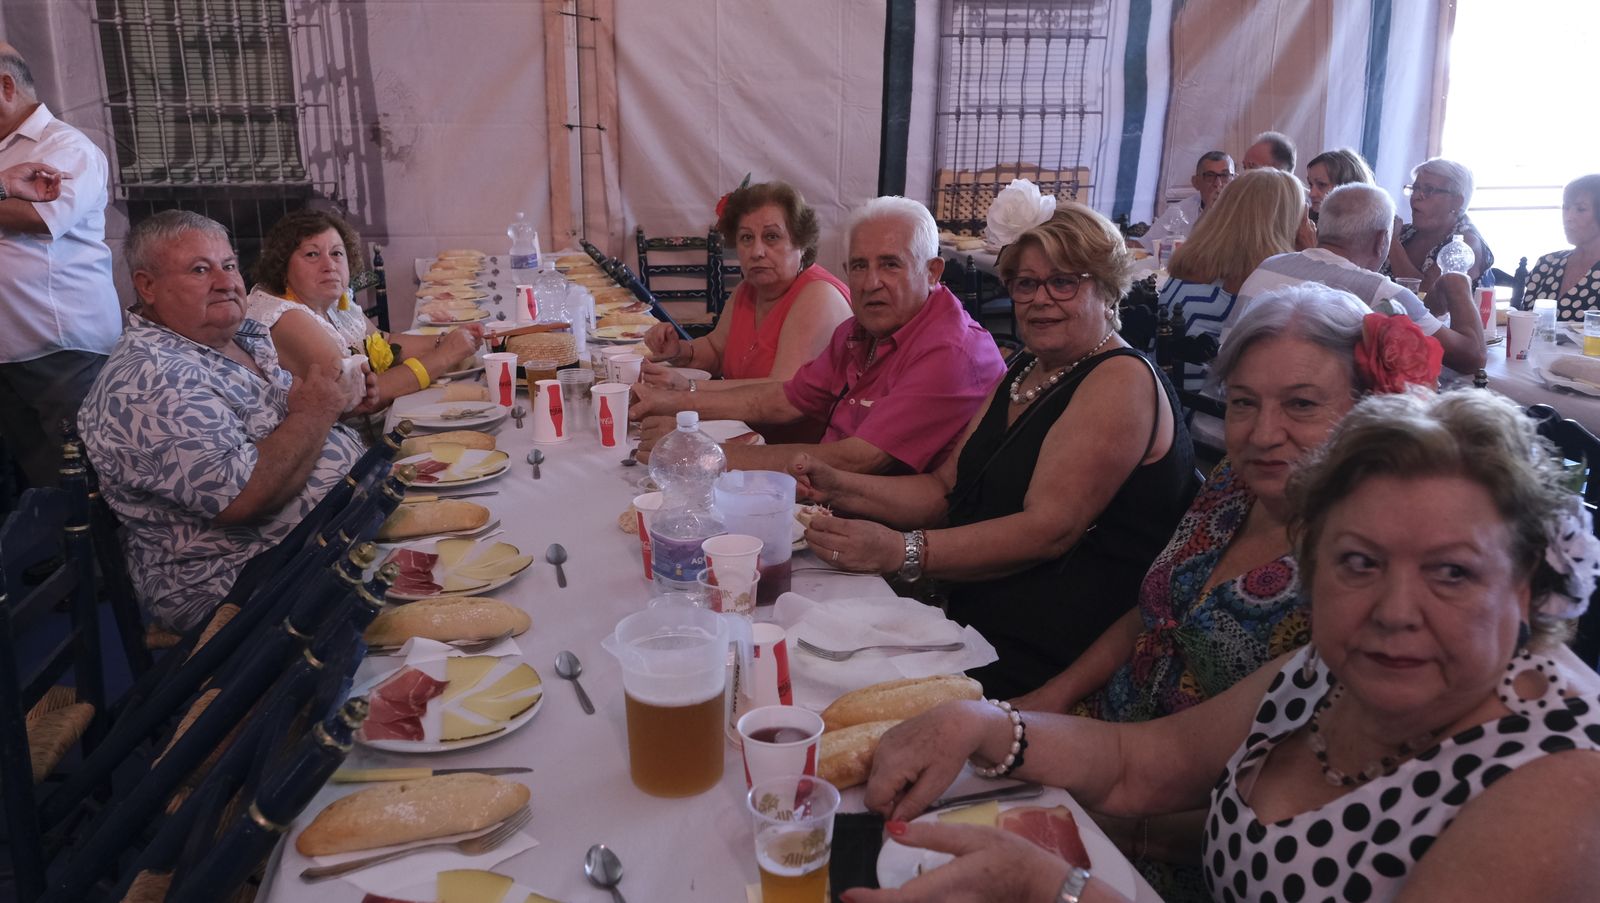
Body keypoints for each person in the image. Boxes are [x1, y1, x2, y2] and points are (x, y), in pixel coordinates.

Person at [848, 389, 1600, 903]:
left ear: (1530, 583)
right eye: (1360, 562)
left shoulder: (1564, 781)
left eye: (1452, 572)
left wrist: (1059, 888)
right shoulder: (1330, 671)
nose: (1395, 610)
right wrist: (983, 725)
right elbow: (1140, 764)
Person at [1011, 285, 1440, 900]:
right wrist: (1045, 702)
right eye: (1243, 403)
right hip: (1096, 752)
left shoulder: (1370, 572)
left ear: (1368, 409)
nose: (1264, 433)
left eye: (1300, 405)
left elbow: (1291, 811)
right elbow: (1154, 612)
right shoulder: (1232, 487)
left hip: (1179, 845)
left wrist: (1110, 826)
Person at [797, 204, 1196, 699]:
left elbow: (1046, 531)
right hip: (969, 616)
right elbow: (946, 490)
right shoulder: (1029, 367)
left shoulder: (1119, 379)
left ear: (1107, 288)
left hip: (1051, 649)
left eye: (1063, 282)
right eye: (1026, 284)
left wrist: (902, 551)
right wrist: (840, 485)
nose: (1039, 299)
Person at [78, 211, 366, 632]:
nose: (226, 281)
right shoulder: (148, 380)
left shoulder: (238, 337)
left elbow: (288, 426)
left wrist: (335, 404)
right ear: (147, 286)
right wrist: (316, 413)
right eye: (200, 269)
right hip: (245, 586)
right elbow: (242, 498)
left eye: (229, 265)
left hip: (319, 543)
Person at [629, 196, 1006, 475]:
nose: (871, 282)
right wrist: (668, 403)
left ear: (933, 272)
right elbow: (783, 399)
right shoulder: (859, 329)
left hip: (882, 540)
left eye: (890, 264)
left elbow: (858, 458)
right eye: (859, 266)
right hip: (823, 498)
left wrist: (707, 455)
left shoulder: (950, 349)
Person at [0, 42, 122, 486]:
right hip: (9, 351)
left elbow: (38, 216)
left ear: (5, 85)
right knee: (42, 495)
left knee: (90, 487)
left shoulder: (66, 146)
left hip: (62, 348)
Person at [1226, 183, 1486, 373]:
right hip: (1300, 437)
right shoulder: (1381, 293)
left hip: (1220, 420)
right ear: (1381, 240)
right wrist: (1457, 284)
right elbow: (1472, 358)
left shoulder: (1270, 265)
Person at [247, 208, 481, 412]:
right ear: (282, 265)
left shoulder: (331, 300)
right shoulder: (288, 318)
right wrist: (445, 355)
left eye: (337, 253)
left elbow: (383, 342)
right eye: (312, 254)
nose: (329, 265)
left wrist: (448, 339)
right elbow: (361, 397)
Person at [639, 180, 852, 398]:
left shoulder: (818, 295)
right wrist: (679, 351)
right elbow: (715, 351)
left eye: (771, 237)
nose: (757, 251)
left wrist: (689, 386)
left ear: (802, 245)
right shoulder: (747, 290)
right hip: (745, 426)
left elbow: (781, 394)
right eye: (747, 238)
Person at [1159, 168, 1305, 392]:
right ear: (1282, 221)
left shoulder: (1194, 260)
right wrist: (1312, 255)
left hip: (1165, 395)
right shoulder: (1251, 284)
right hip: (1204, 410)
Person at [1384, 157, 1494, 293]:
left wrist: (1393, 242)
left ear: (1457, 202)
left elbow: (1427, 296)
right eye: (1416, 188)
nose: (1416, 196)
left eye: (1428, 190)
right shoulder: (1405, 232)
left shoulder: (1465, 244)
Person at [1521, 173, 1600, 322]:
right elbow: (1525, 322)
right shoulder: (1547, 263)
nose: (1568, 217)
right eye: (1565, 207)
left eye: (1580, 209)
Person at [1139, 152, 1234, 251]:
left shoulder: (1245, 210)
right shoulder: (1179, 211)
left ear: (1235, 179)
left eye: (1225, 176)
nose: (1218, 184)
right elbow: (1144, 246)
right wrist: (1207, 211)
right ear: (1196, 182)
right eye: (1210, 176)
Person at [1303, 147, 1373, 222]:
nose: (1311, 194)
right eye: (1310, 184)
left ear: (1347, 187)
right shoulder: (1306, 221)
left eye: (1322, 184)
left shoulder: (1367, 228)